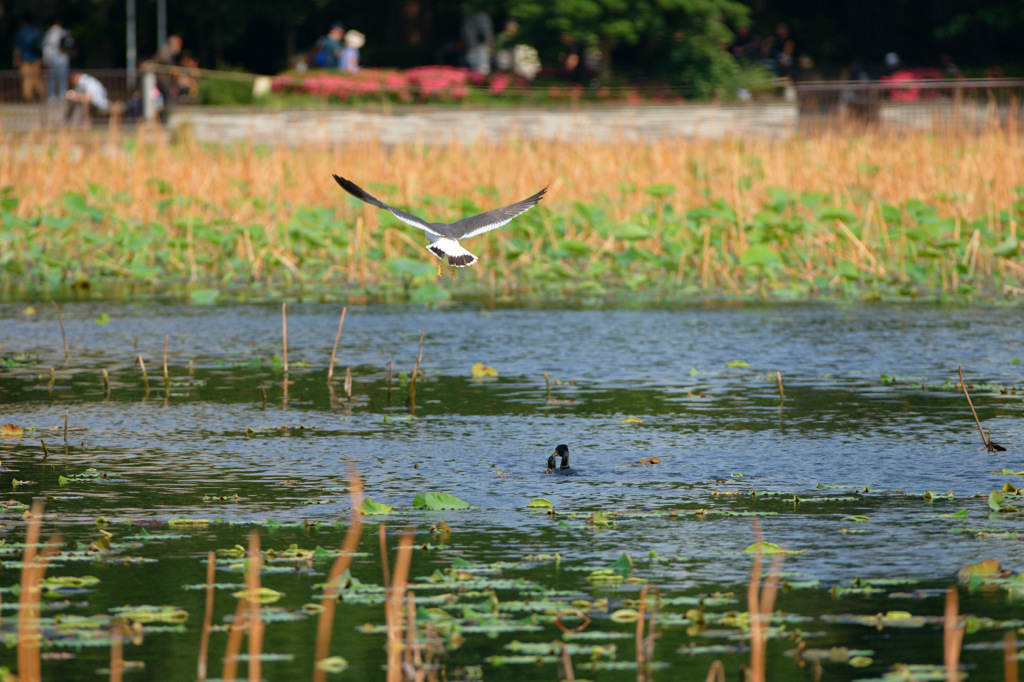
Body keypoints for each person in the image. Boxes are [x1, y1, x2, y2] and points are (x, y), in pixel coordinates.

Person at [13, 18, 44, 102]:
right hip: (36, 59)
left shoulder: (21, 32)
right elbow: (41, 46)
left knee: (27, 78)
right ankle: (41, 94)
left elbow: (18, 48)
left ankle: (28, 97)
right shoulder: (37, 31)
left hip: (25, 59)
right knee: (36, 78)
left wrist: (16, 59)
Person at [43, 19, 73, 103]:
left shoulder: (49, 33)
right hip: (63, 59)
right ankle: (62, 97)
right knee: (62, 78)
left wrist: (46, 60)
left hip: (53, 58)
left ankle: (51, 97)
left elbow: (47, 48)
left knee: (52, 78)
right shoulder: (65, 32)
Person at [462, 10, 493, 75]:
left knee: (478, 65)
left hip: (476, 45)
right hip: (478, 45)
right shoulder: (483, 18)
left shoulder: (470, 20)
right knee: (480, 66)